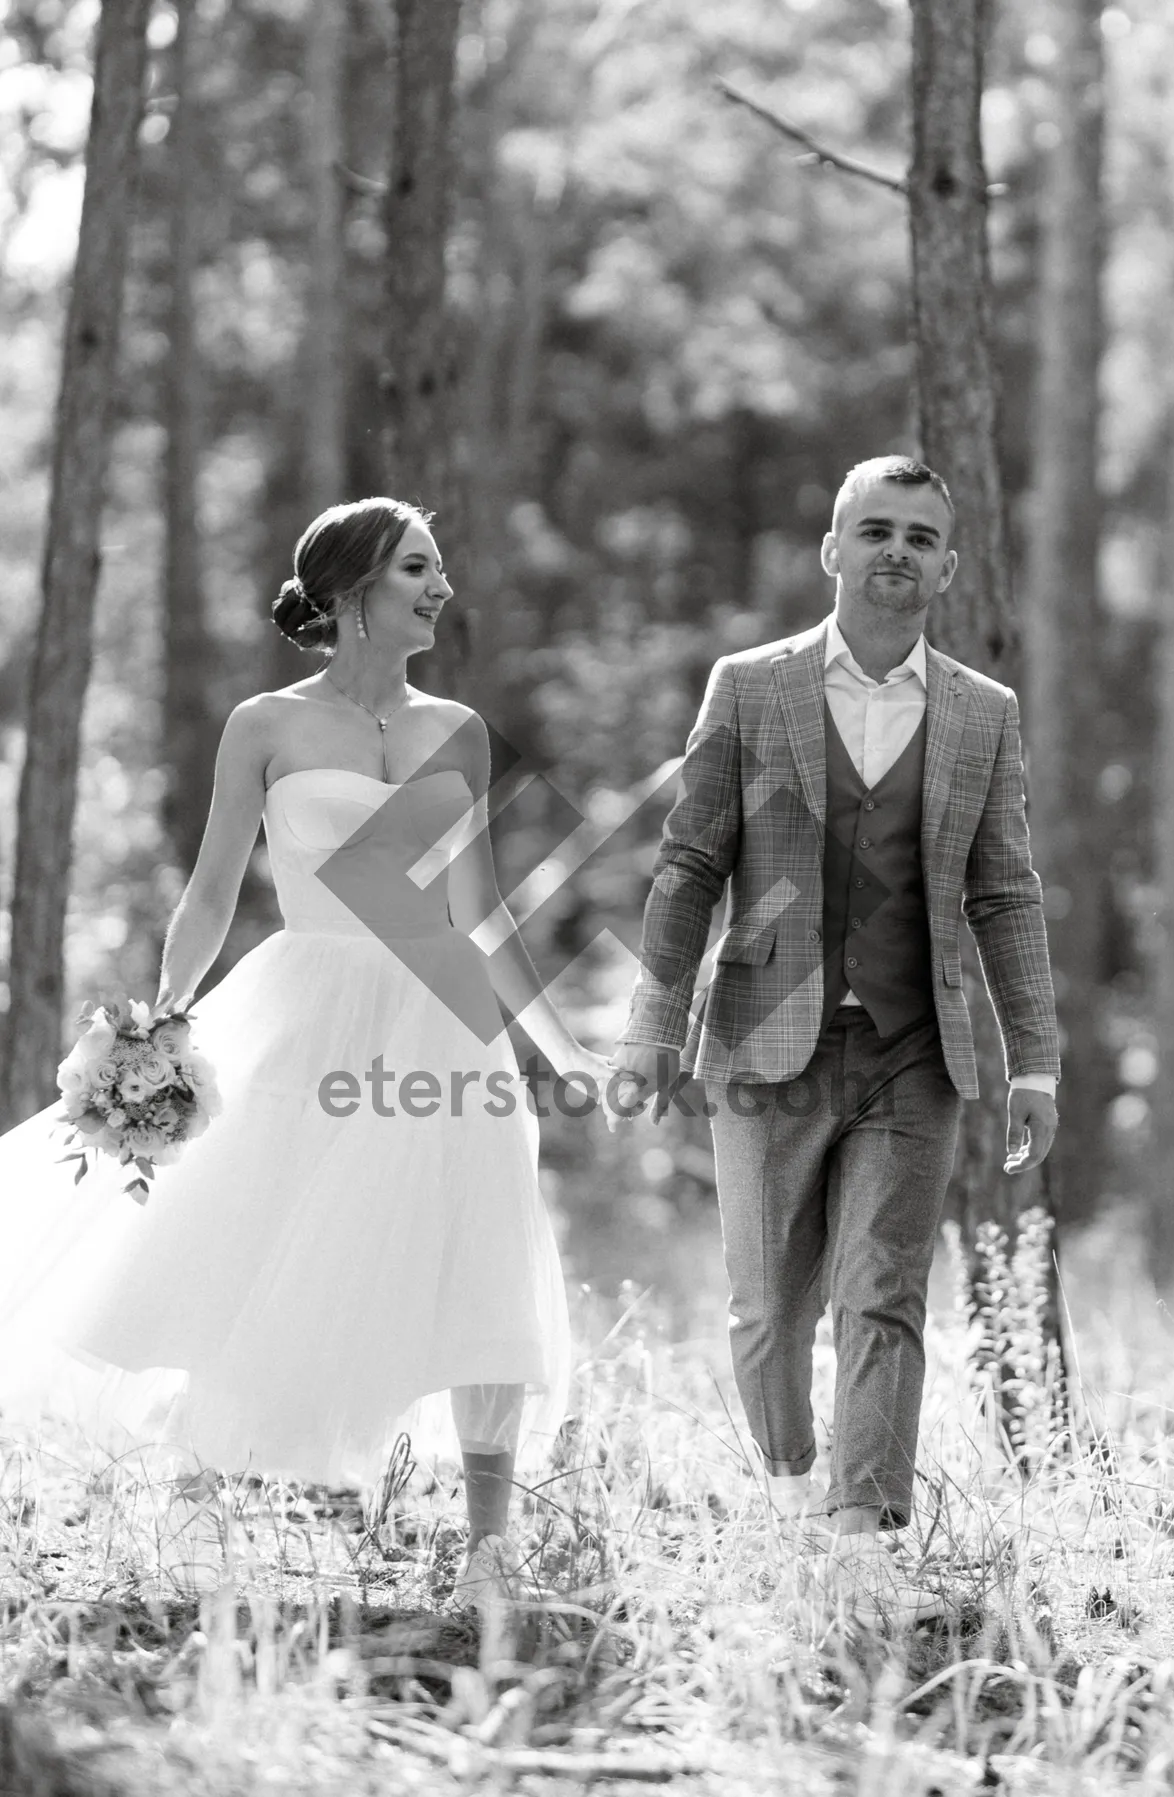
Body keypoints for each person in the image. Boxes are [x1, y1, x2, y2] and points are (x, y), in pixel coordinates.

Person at [0, 496, 610, 1607]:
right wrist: (158, 1023)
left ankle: (488, 1551)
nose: (441, 588)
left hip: (443, 1018)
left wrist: (559, 1046)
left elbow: (485, 912)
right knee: (245, 1223)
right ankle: (194, 1504)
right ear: (352, 590)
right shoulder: (265, 726)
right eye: (419, 568)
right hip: (307, 1005)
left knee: (480, 1246)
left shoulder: (459, 732)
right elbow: (210, 889)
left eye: (440, 569)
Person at [610, 456, 1060, 1622]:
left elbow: (1007, 892)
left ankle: (860, 1546)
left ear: (949, 567)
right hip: (767, 1045)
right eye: (876, 531)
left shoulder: (981, 712)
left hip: (921, 1052)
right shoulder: (750, 688)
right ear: (833, 551)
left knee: (884, 1293)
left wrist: (1037, 1059)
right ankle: (790, 1486)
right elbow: (691, 861)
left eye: (920, 537)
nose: (897, 552)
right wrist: (651, 1026)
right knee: (768, 1307)